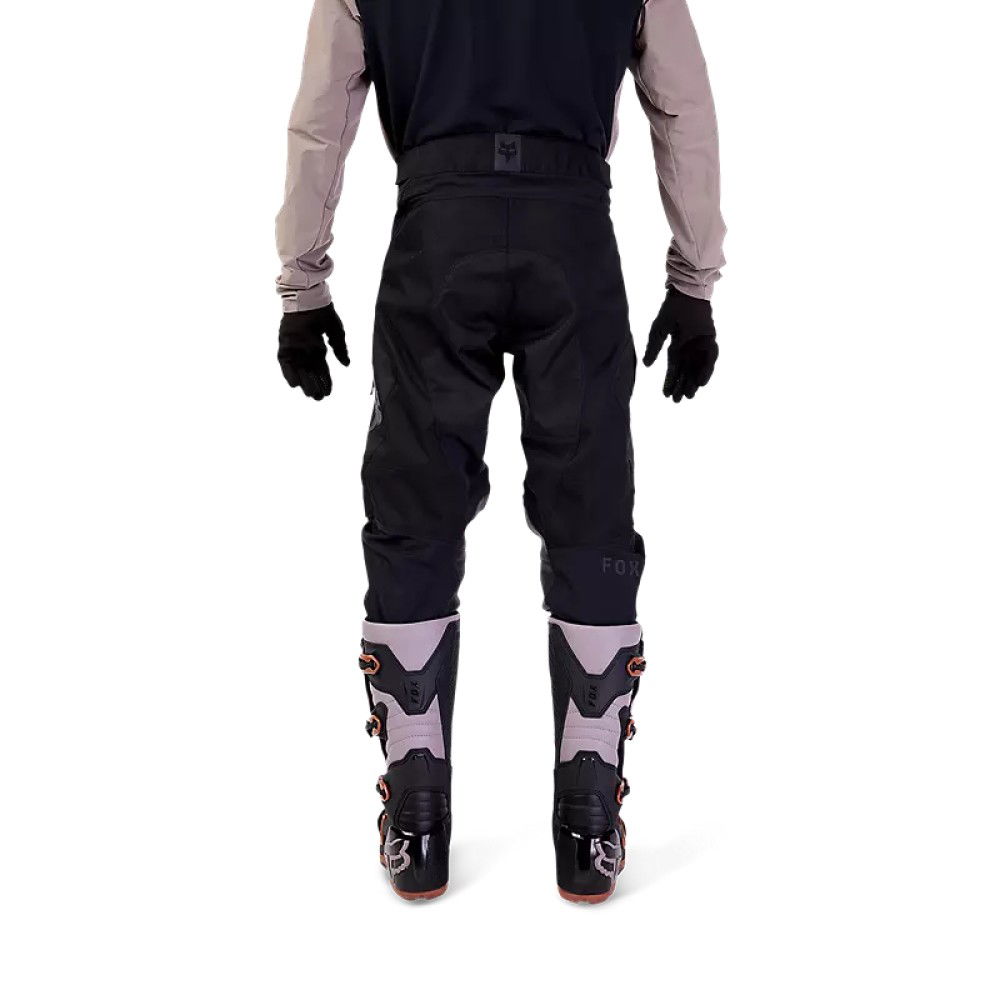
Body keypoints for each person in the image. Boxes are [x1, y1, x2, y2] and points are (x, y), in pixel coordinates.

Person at [275, 0, 725, 903]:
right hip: (572, 237)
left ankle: (417, 820)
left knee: (413, 511)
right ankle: (588, 825)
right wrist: (693, 277)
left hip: (438, 234)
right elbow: (682, 102)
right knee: (591, 511)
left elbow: (322, 113)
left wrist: (303, 282)